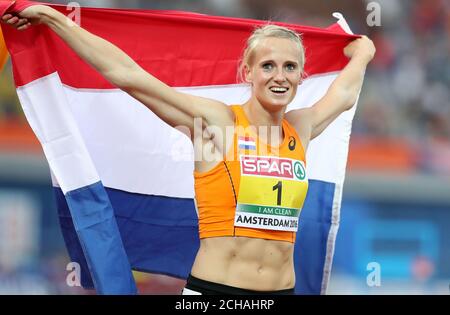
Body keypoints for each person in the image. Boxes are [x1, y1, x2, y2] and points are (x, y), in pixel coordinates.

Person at [1, 3, 375, 295]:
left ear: (300, 76)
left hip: (281, 289)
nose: (280, 76)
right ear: (248, 72)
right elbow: (130, 77)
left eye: (290, 67)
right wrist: (56, 21)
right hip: (216, 293)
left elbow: (343, 94)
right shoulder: (216, 123)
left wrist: (363, 53)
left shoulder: (302, 128)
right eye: (268, 65)